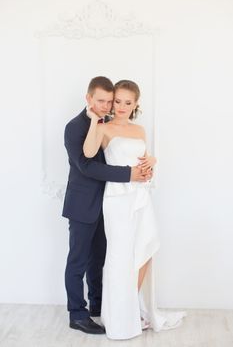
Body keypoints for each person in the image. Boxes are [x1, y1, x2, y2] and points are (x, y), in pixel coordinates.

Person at [83, 79, 187, 339]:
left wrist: (152, 161)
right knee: (119, 257)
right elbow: (87, 152)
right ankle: (119, 317)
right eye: (117, 101)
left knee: (145, 250)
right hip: (118, 199)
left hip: (141, 197)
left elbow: (144, 163)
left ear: (135, 104)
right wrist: (94, 119)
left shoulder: (140, 130)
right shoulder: (104, 128)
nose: (121, 106)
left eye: (127, 103)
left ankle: (131, 308)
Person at [62, 76, 152, 335]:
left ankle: (99, 308)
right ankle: (77, 314)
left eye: (109, 101)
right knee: (78, 260)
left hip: (112, 203)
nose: (106, 105)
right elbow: (86, 166)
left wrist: (149, 163)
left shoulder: (109, 124)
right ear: (88, 98)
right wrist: (129, 174)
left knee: (101, 259)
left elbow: (124, 153)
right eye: (100, 100)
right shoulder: (75, 127)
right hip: (83, 204)